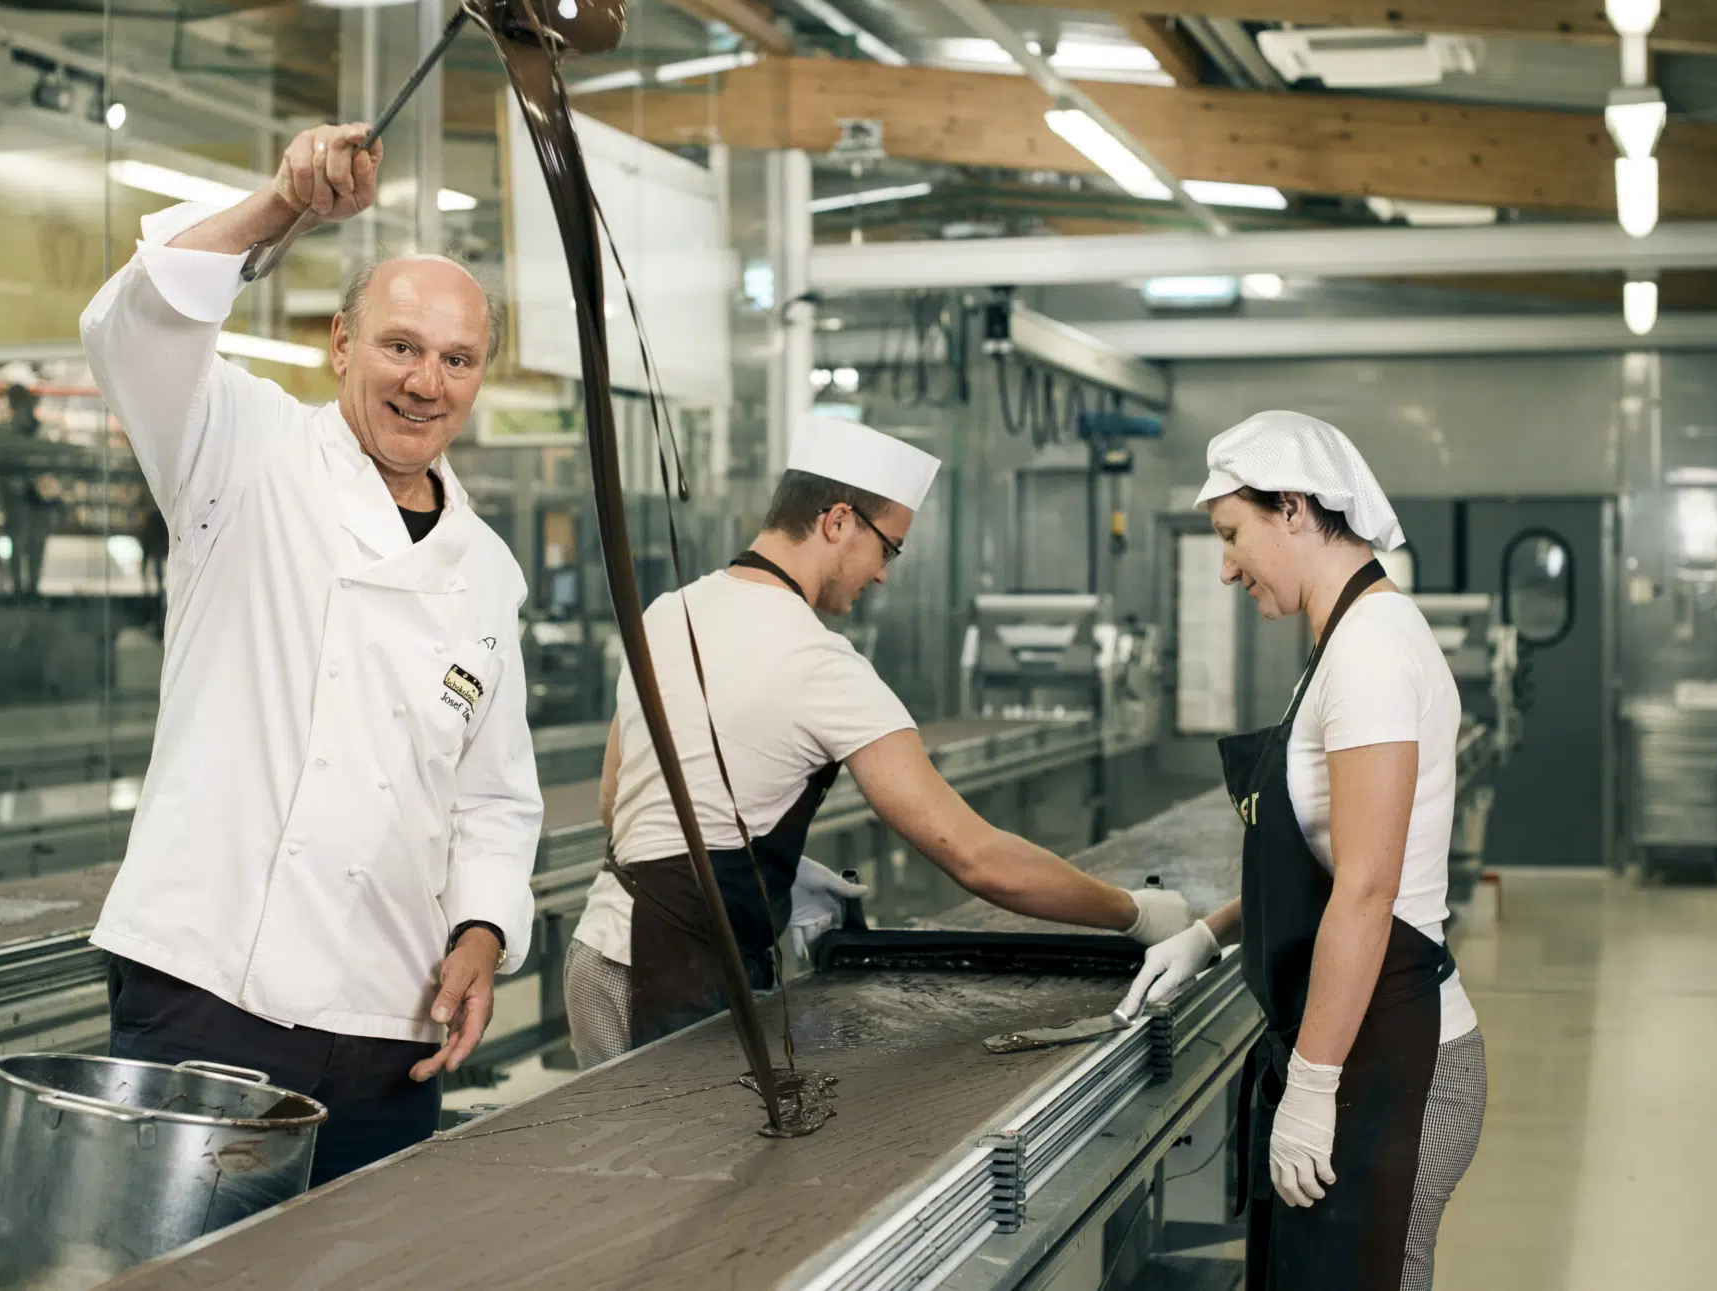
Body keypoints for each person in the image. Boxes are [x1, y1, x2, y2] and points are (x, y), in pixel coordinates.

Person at [78, 123, 543, 1186]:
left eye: (456, 359)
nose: (426, 382)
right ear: (341, 344)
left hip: (393, 1016)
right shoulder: (240, 449)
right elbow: (133, 322)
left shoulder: (486, 569)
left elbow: (494, 797)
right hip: (207, 992)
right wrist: (282, 202)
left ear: (480, 376)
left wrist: (481, 932)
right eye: (399, 347)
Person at [564, 414, 1191, 1066]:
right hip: (681, 972)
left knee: (619, 1163)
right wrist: (1134, 913)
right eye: (888, 547)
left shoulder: (670, 611)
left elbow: (622, 798)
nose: (884, 573)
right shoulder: (820, 662)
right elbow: (976, 856)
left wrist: (757, 867)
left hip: (599, 958)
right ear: (837, 521)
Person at [1115, 411, 1484, 1291]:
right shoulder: (1334, 647)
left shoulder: (1373, 649)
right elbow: (1318, 868)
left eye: (1232, 534)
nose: (1226, 565)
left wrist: (1314, 1086)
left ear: (1293, 508)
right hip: (1350, 1040)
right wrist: (1211, 934)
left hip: (1391, 1054)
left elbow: (1365, 888)